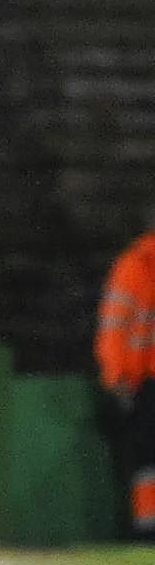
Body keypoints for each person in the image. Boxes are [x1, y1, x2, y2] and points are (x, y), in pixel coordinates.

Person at [94, 203, 155, 542]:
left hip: (143, 382)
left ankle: (148, 529)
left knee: (147, 462)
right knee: (147, 460)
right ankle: (148, 531)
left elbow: (114, 326)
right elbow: (115, 327)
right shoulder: (136, 266)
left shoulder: (135, 265)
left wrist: (116, 376)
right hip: (146, 382)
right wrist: (117, 376)